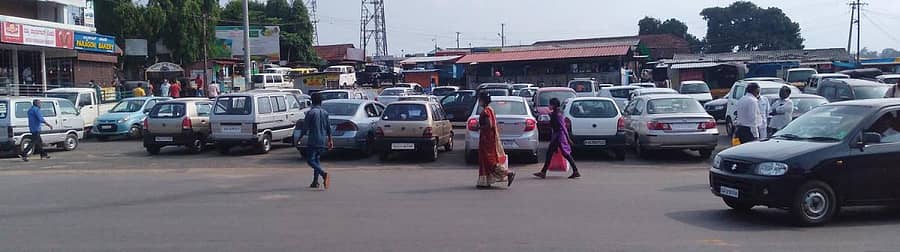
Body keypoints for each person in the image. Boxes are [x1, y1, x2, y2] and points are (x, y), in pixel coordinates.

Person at [476, 92, 515, 189]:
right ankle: (485, 181)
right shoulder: (491, 110)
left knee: (489, 160)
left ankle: (507, 173)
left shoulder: (485, 112)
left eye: (479, 99)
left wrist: (479, 127)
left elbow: (489, 125)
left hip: (487, 139)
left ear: (482, 100)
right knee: (486, 160)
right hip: (490, 138)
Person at [533, 98, 580, 179]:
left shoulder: (557, 114)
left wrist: (568, 139)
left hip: (559, 137)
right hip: (556, 136)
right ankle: (543, 172)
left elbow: (563, 127)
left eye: (550, 104)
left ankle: (575, 171)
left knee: (563, 154)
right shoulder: (555, 113)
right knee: (552, 154)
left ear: (554, 105)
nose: (549, 106)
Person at [298, 93, 334, 189]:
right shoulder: (325, 113)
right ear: (321, 102)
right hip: (322, 139)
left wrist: (300, 138)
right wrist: (330, 140)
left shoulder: (311, 113)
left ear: (311, 102)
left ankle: (324, 174)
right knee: (317, 160)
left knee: (310, 160)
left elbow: (305, 128)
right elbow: (328, 128)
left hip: (313, 139)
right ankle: (315, 182)